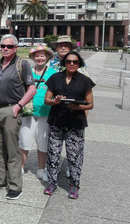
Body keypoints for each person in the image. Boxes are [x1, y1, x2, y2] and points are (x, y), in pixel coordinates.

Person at [0, 34, 36, 200]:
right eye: (3, 46)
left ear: (15, 48)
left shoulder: (23, 64)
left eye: (9, 46)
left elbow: (32, 89)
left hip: (11, 110)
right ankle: (0, 180)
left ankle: (15, 186)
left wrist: (18, 106)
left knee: (12, 150)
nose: (5, 49)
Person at [43, 51, 95, 199]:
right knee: (53, 154)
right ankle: (52, 183)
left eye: (75, 62)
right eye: (69, 61)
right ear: (64, 63)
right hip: (56, 121)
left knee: (75, 156)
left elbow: (90, 104)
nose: (72, 64)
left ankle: (74, 184)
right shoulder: (55, 78)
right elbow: (47, 99)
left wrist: (80, 107)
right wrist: (55, 101)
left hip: (75, 123)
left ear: (79, 64)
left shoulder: (85, 81)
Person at [18, 45, 56, 182]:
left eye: (42, 56)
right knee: (24, 139)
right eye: (37, 56)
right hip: (28, 112)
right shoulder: (27, 71)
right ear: (33, 58)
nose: (39, 58)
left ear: (47, 57)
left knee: (43, 141)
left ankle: (41, 169)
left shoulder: (53, 73)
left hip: (46, 112)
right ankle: (21, 167)